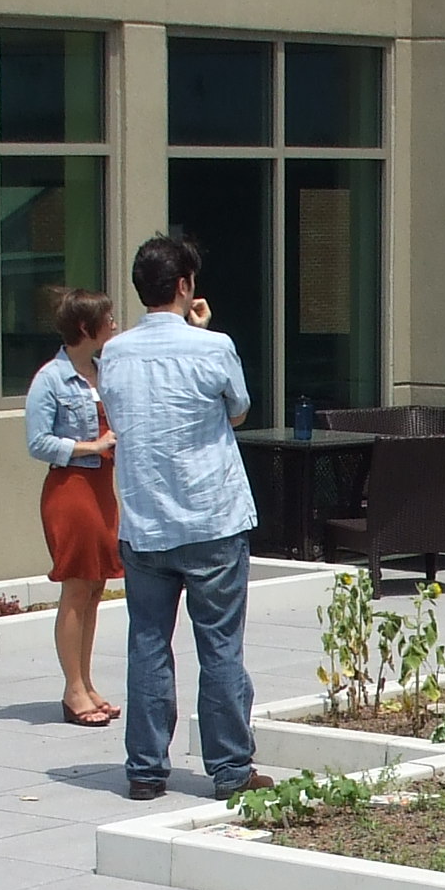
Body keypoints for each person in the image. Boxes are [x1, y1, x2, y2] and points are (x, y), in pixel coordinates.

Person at [95, 233, 273, 803]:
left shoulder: (115, 353)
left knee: (148, 643)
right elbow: (239, 410)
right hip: (211, 517)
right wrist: (200, 330)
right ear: (184, 286)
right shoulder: (212, 345)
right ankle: (229, 770)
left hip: (144, 520)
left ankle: (145, 768)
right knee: (219, 646)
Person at [25, 287, 122, 726]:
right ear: (86, 328)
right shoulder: (50, 378)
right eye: (108, 318)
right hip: (71, 489)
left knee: (97, 587)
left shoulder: (106, 372)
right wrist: (91, 445)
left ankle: (86, 680)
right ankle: (72, 688)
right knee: (76, 587)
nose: (115, 324)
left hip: (103, 487)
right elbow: (38, 441)